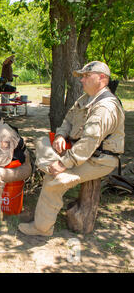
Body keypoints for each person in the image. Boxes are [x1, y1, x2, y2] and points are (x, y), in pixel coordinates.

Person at [19, 61, 125, 236]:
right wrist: (61, 135)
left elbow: (89, 144)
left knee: (54, 182)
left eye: (86, 76)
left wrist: (63, 164)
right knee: (42, 141)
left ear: (102, 78)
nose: (82, 80)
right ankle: (51, 168)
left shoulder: (105, 107)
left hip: (98, 160)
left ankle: (42, 228)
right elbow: (68, 120)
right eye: (81, 76)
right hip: (77, 152)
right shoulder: (86, 98)